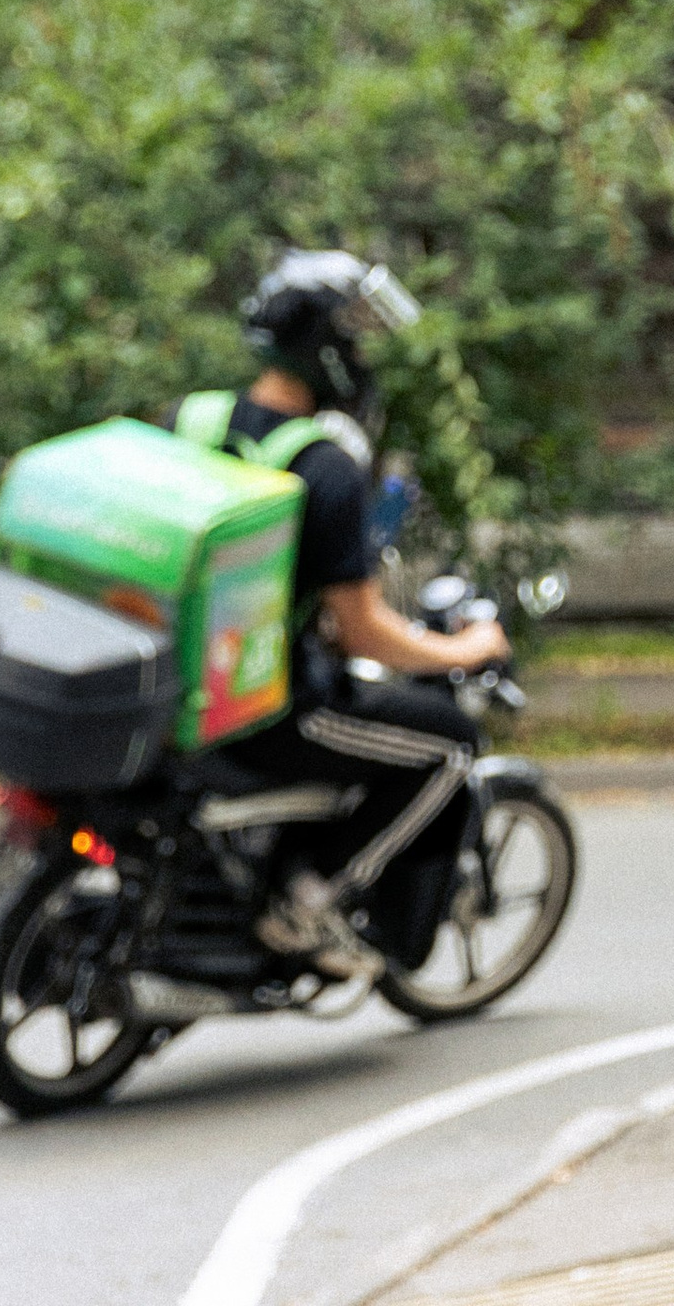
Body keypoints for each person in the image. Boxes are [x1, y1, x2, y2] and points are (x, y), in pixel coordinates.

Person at [178, 248, 508, 975]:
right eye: (354, 340)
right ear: (325, 348)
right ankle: (303, 899)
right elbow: (362, 631)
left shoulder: (198, 420)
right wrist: (465, 652)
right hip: (271, 706)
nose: (364, 358)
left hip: (187, 689)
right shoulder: (323, 467)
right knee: (449, 745)